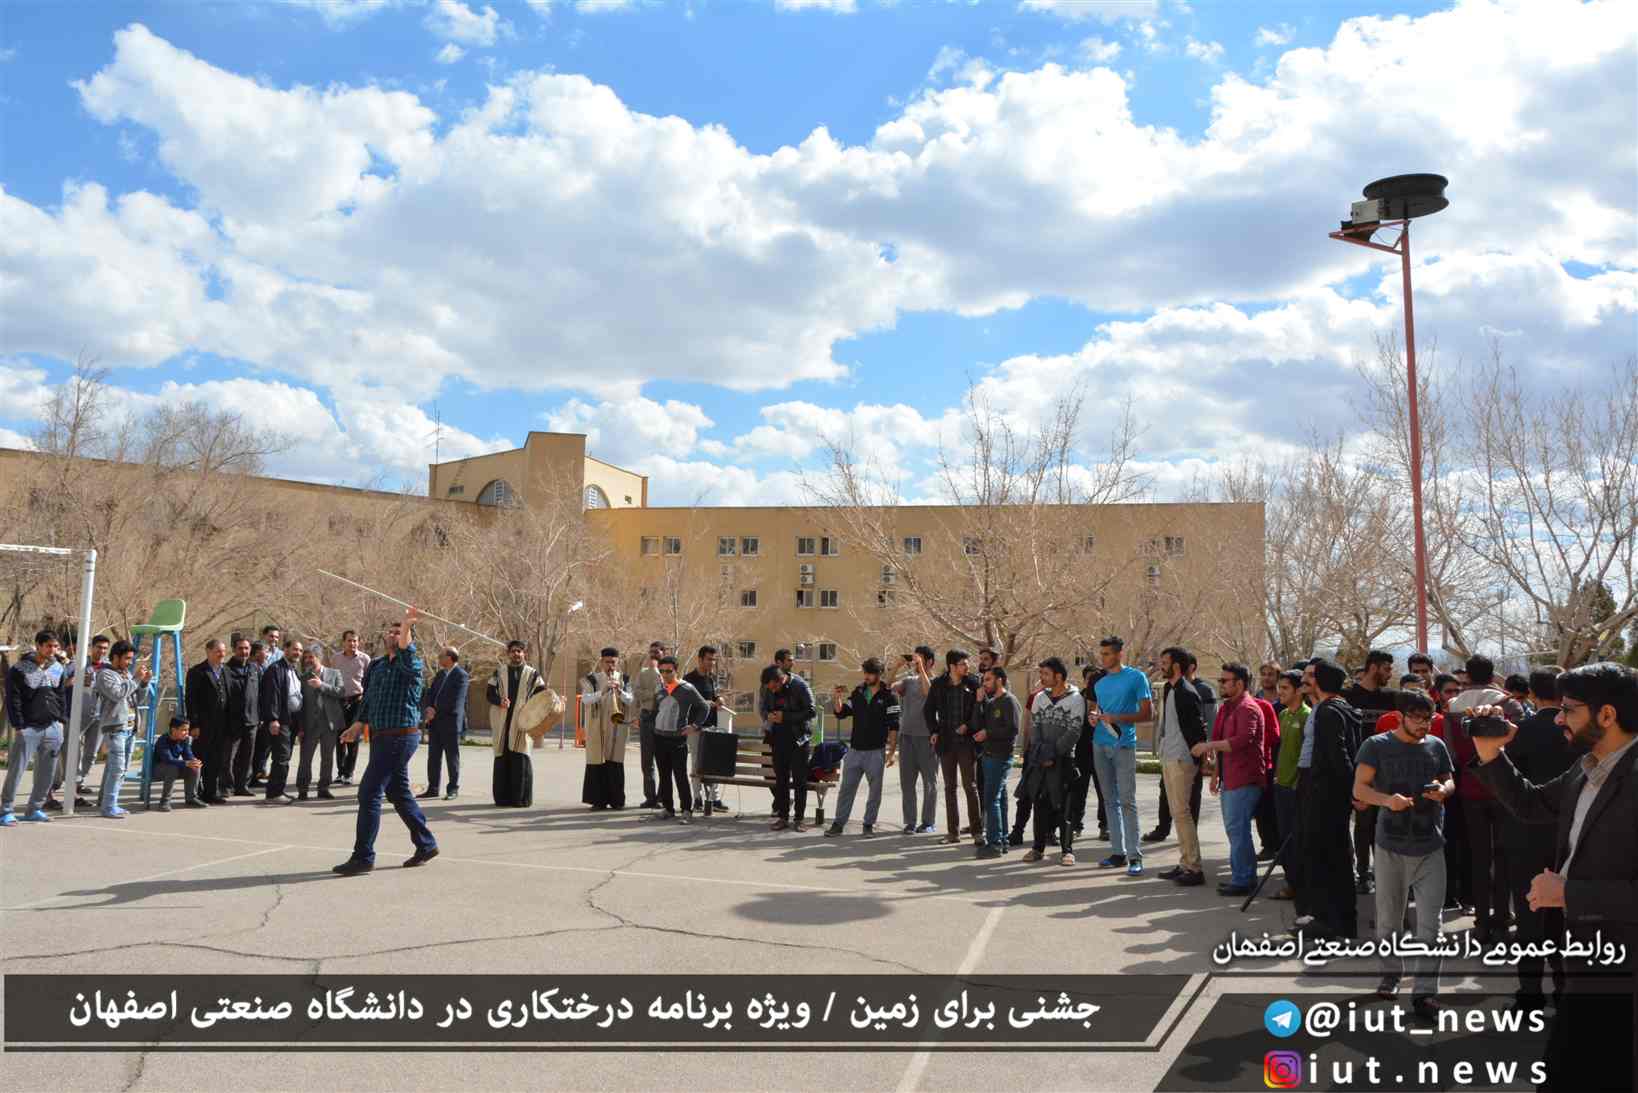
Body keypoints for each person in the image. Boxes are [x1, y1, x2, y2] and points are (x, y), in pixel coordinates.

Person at [1469, 662, 1638, 1093]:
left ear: (1607, 715)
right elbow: (1532, 805)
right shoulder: (1587, 767)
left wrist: (1569, 893)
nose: (1559, 718)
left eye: (1569, 709)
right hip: (1587, 964)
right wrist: (1490, 753)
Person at [1349, 689, 1455, 1016]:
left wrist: (1444, 790)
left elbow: (1450, 780)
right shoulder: (1376, 746)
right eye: (1417, 718)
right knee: (1388, 920)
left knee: (1432, 925)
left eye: (1428, 718)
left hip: (1431, 846)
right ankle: (1391, 974)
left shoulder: (1436, 746)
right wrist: (1386, 800)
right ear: (1400, 717)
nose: (1424, 725)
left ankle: (1425, 993)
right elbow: (1359, 788)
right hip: (1390, 846)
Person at [333, 607, 437, 875]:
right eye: (390, 632)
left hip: (401, 736)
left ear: (408, 638)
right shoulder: (377, 665)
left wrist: (407, 626)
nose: (393, 635)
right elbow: (369, 698)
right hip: (381, 736)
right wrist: (357, 724)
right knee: (397, 792)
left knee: (369, 792)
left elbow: (406, 652)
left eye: (399, 632)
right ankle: (426, 844)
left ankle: (363, 856)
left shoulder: (412, 664)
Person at [1500, 667, 1575, 1009]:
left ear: (1531, 693)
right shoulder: (1579, 734)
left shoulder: (1520, 733)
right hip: (1569, 836)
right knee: (1566, 914)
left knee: (1529, 915)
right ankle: (1564, 988)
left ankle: (1530, 994)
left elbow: (1507, 787)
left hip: (1526, 835)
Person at [1445, 654, 1526, 944]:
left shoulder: (1452, 706)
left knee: (1478, 856)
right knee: (1502, 855)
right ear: (1493, 675)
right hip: (1502, 787)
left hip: (1470, 787)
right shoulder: (1511, 705)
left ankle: (1481, 922)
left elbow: (1452, 754)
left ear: (1467, 675)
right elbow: (1516, 747)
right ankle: (1501, 919)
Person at [1297, 658, 1364, 939]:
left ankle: (1328, 921)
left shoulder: (1328, 712)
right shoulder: (1343, 708)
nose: (1307, 680)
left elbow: (1339, 755)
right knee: (1336, 856)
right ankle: (1339, 920)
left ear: (1321, 682)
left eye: (1313, 676)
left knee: (1325, 857)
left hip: (1325, 794)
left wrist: (1353, 790)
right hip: (1331, 794)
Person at [1193, 663, 1265, 896]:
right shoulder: (1227, 707)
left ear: (1240, 683)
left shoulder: (1248, 708)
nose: (1220, 684)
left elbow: (1243, 740)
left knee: (1238, 829)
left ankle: (1243, 880)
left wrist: (1208, 746)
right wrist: (1216, 775)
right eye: (1220, 680)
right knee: (1235, 830)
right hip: (1230, 778)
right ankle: (1243, 877)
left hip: (1244, 778)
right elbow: (1223, 747)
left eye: (1225, 681)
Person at [1091, 635, 1153, 877]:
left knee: (1127, 800)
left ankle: (1135, 856)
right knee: (1109, 800)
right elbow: (1101, 711)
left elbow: (1147, 714)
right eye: (1102, 653)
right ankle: (1118, 853)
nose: (1103, 657)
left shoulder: (1136, 677)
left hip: (1124, 744)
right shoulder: (1099, 683)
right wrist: (1095, 717)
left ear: (1119, 654)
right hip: (1099, 744)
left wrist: (1116, 718)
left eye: (1107, 653)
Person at [1343, 649, 1403, 895]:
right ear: (1374, 667)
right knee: (1363, 825)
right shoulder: (1348, 697)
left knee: (1386, 826)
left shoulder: (1392, 698)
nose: (1390, 674)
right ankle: (1363, 874)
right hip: (1361, 772)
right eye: (1386, 669)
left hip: (1389, 774)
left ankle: (1385, 875)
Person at [826, 658, 901, 838]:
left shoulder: (890, 697)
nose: (866, 676)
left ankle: (868, 825)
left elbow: (894, 726)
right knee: (846, 789)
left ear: (879, 674)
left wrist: (891, 752)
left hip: (876, 751)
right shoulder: (858, 692)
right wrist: (837, 697)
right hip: (854, 751)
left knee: (874, 792)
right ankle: (838, 823)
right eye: (865, 672)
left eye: (870, 673)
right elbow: (842, 712)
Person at [1019, 657, 1083, 866]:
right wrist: (1042, 754)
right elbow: (1035, 728)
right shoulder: (1039, 698)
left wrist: (1052, 755)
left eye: (1046, 674)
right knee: (1040, 804)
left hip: (1063, 760)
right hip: (1041, 761)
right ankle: (1037, 848)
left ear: (1059, 676)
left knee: (1064, 807)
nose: (1042, 678)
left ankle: (1067, 851)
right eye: (1041, 673)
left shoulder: (1076, 699)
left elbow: (1074, 732)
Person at [1, 630, 68, 826]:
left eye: (55, 646)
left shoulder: (57, 668)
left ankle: (35, 809)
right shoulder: (20, 669)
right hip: (28, 728)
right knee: (17, 770)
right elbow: (13, 699)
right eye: (48, 646)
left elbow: (60, 695)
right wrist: (19, 725)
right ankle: (5, 811)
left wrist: (61, 720)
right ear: (38, 645)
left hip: (53, 726)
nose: (52, 650)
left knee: (47, 772)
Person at [1154, 647, 1208, 887]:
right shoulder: (1170, 688)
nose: (1161, 666)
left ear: (1176, 666)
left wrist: (1201, 759)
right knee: (1178, 813)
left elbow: (1197, 727)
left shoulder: (1187, 692)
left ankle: (1194, 868)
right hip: (1169, 755)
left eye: (1165, 663)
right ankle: (1186, 862)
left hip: (1182, 759)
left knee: (1182, 813)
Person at [925, 649, 981, 846]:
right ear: (952, 666)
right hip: (946, 742)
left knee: (970, 787)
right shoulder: (938, 684)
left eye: (967, 663)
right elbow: (928, 710)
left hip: (967, 743)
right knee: (950, 788)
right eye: (963, 664)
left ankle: (977, 831)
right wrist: (934, 731)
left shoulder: (973, 683)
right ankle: (952, 832)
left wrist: (969, 726)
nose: (967, 667)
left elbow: (980, 709)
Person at [51, 633, 109, 810]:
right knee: (71, 753)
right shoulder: (77, 664)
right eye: (99, 647)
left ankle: (77, 784)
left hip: (98, 717)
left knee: (91, 754)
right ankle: (66, 790)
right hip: (74, 716)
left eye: (105, 648)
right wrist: (74, 681)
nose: (102, 651)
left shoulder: (107, 667)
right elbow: (57, 684)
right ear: (91, 648)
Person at [92, 639, 149, 819]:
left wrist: (144, 684)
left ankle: (109, 802)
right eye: (127, 658)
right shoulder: (105, 674)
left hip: (130, 727)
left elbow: (137, 699)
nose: (129, 662)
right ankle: (108, 806)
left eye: (131, 659)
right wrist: (136, 679)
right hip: (115, 727)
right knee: (117, 768)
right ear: (115, 657)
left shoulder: (127, 675)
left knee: (120, 768)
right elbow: (117, 694)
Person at [648, 655, 707, 823]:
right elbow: (655, 711)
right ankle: (668, 809)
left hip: (677, 739)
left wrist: (694, 726)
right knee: (664, 775)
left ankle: (687, 810)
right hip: (659, 737)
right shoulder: (659, 688)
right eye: (662, 671)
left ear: (676, 671)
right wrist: (645, 720)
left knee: (680, 775)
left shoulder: (686, 688)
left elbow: (704, 707)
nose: (665, 674)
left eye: (669, 671)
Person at [970, 665, 1020, 859]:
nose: (985, 683)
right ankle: (1002, 840)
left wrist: (988, 733)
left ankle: (994, 844)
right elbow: (976, 724)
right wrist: (978, 702)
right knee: (998, 799)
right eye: (984, 680)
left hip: (1000, 756)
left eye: (988, 679)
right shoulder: (990, 702)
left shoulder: (1009, 701)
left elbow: (1012, 729)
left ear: (999, 680)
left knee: (992, 800)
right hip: (988, 755)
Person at [488, 640, 545, 808]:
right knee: (503, 757)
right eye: (513, 651)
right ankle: (502, 799)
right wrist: (500, 701)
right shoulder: (499, 672)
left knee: (521, 758)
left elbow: (542, 695)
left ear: (524, 653)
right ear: (508, 654)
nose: (516, 654)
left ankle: (521, 799)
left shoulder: (533, 674)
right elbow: (489, 693)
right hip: (503, 722)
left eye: (519, 651)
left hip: (523, 722)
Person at [1271, 670, 1311, 901]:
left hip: (1297, 789)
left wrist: (1299, 783)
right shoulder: (1283, 714)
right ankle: (1291, 883)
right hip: (1281, 785)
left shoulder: (1308, 716)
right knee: (1284, 838)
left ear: (1299, 690)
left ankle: (1302, 886)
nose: (1280, 692)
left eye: (1285, 688)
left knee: (1298, 841)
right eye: (1280, 687)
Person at [764, 665, 816, 832]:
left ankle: (799, 819)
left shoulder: (800, 686)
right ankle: (783, 817)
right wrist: (769, 715)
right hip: (778, 740)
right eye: (769, 688)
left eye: (774, 687)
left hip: (799, 740)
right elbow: (765, 707)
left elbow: (811, 711)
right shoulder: (770, 688)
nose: (772, 691)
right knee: (781, 780)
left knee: (799, 781)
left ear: (780, 680)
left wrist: (785, 717)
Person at [893, 646, 939, 834]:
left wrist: (921, 669)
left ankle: (928, 822)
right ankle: (910, 822)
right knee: (907, 783)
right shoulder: (908, 681)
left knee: (930, 783)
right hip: (907, 737)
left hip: (927, 738)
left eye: (920, 658)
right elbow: (888, 686)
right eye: (915, 658)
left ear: (930, 662)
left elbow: (928, 692)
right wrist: (896, 667)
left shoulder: (937, 682)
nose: (915, 661)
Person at [579, 646, 631, 810]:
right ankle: (598, 801)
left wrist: (619, 691)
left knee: (615, 761)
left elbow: (631, 700)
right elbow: (585, 700)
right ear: (601, 662)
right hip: (597, 727)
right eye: (607, 662)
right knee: (597, 760)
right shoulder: (591, 680)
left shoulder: (624, 679)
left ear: (618, 662)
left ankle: (617, 801)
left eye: (613, 662)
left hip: (616, 727)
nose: (610, 666)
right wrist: (602, 692)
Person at [184, 638, 232, 804]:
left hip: (222, 724)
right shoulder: (197, 672)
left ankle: (211, 792)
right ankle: (195, 793)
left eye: (223, 651)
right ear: (208, 652)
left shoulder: (226, 671)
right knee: (200, 758)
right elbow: (191, 700)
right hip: (203, 725)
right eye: (218, 651)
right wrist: (194, 724)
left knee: (216, 760)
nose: (222, 654)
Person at [420, 647, 470, 801]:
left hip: (450, 722)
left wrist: (435, 711)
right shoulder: (440, 674)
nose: (439, 658)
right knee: (433, 757)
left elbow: (456, 701)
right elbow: (430, 693)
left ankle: (453, 789)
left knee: (452, 757)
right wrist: (428, 708)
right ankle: (433, 788)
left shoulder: (461, 675)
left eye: (441, 656)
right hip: (435, 722)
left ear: (450, 657)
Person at [257, 639, 304, 804]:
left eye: (300, 650)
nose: (298, 653)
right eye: (295, 649)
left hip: (292, 720)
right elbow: (271, 696)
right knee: (281, 756)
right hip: (280, 720)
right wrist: (273, 719)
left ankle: (279, 790)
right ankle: (274, 794)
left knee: (285, 756)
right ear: (285, 650)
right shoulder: (275, 669)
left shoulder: (293, 669)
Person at [684, 646, 729, 814]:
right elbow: (686, 702)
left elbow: (713, 696)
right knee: (697, 764)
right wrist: (705, 703)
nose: (712, 663)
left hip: (712, 726)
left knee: (713, 764)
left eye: (714, 660)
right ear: (700, 659)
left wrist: (719, 699)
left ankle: (714, 799)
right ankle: (697, 799)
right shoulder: (688, 679)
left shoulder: (711, 678)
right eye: (709, 659)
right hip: (695, 727)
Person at [295, 648, 345, 800]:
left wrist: (321, 685)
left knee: (327, 758)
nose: (308, 660)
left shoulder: (335, 673)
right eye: (306, 658)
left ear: (319, 657)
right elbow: (300, 704)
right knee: (305, 758)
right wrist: (300, 727)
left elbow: (341, 692)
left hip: (329, 723)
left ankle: (323, 788)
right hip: (309, 724)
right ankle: (302, 789)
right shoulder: (302, 678)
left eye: (311, 657)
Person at [329, 629, 371, 787]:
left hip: (357, 701)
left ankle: (349, 773)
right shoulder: (335, 658)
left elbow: (369, 681)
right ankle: (340, 772)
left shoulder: (365, 659)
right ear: (343, 642)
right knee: (339, 737)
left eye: (355, 641)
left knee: (352, 737)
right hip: (339, 701)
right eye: (349, 640)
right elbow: (330, 679)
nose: (352, 643)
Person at [223, 636, 260, 798]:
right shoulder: (226, 670)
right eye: (240, 648)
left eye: (246, 648)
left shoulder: (254, 669)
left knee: (247, 756)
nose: (243, 652)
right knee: (228, 757)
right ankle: (226, 787)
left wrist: (259, 716)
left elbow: (258, 694)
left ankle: (242, 786)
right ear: (233, 650)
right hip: (233, 721)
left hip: (252, 720)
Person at [632, 641, 666, 808]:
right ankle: (650, 797)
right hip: (647, 717)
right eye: (651, 651)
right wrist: (652, 693)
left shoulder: (668, 673)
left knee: (664, 760)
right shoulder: (643, 673)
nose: (653, 654)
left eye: (657, 651)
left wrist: (658, 673)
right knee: (647, 760)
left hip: (663, 719)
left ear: (663, 653)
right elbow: (637, 693)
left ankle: (662, 797)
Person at [248, 624, 282, 788]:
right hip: (257, 713)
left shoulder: (279, 656)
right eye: (271, 636)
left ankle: (258, 772)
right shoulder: (253, 668)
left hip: (267, 710)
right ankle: (251, 776)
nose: (268, 655)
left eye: (276, 637)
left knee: (264, 747)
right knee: (256, 748)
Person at [152, 716, 208, 812]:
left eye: (187, 730)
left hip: (173, 767)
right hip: (158, 770)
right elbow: (168, 759)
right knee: (172, 768)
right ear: (173, 730)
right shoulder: (163, 740)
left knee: (194, 767)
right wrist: (186, 763)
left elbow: (188, 755)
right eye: (184, 730)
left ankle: (191, 798)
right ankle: (164, 802)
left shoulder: (184, 740)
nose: (187, 733)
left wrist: (193, 761)